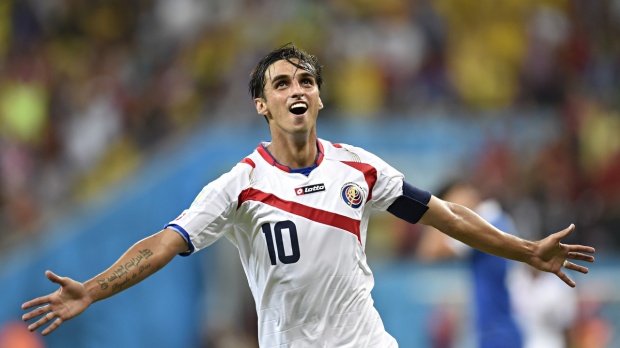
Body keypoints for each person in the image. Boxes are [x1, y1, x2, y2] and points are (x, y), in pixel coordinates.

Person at [22, 43, 595, 347]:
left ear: (318, 98)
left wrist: (526, 251)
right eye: (281, 83)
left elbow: (444, 217)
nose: (296, 90)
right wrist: (93, 290)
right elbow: (166, 244)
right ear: (262, 106)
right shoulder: (239, 184)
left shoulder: (360, 170)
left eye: (306, 81)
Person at [417, 181, 523, 348]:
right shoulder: (496, 218)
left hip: (499, 330)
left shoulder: (485, 223)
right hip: (502, 328)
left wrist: (438, 210)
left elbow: (429, 251)